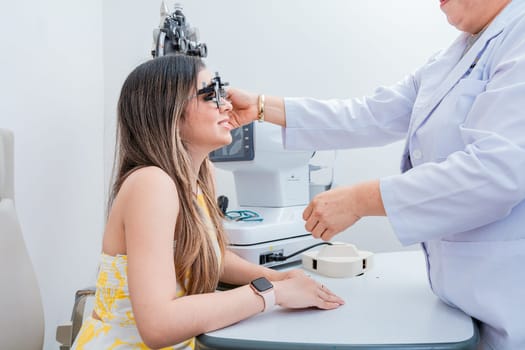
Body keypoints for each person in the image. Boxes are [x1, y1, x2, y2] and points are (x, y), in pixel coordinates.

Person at [226, 0, 525, 349]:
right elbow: (369, 114)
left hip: (510, 298)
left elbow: (497, 171)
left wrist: (361, 200)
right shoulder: (453, 57)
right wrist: (262, 107)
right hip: (464, 300)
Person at [71, 54, 344, 350]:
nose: (226, 105)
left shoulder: (199, 178)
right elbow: (158, 325)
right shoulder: (151, 183)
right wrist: (271, 293)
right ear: (170, 111)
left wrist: (278, 277)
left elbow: (209, 254)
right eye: (210, 95)